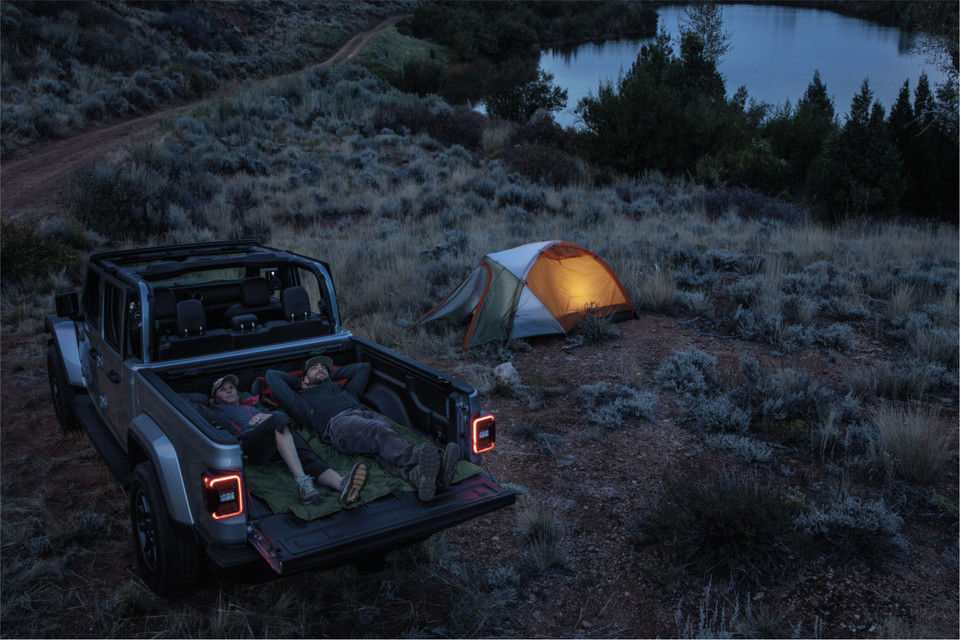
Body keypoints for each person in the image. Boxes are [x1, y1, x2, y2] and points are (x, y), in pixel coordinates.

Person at [266, 357, 459, 502]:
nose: (320, 368)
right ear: (304, 379)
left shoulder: (345, 391)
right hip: (337, 425)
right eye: (314, 368)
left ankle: (419, 477)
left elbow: (363, 369)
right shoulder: (300, 400)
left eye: (324, 367)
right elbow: (272, 376)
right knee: (377, 431)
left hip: (362, 414)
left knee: (381, 451)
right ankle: (432, 461)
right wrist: (300, 381)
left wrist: (330, 375)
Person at [198, 375, 367, 507]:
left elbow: (283, 415)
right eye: (222, 390)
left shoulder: (253, 405)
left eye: (231, 388)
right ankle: (303, 483)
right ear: (216, 397)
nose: (229, 391)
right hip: (250, 445)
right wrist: (207, 400)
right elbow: (186, 399)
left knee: (299, 445)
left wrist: (268, 415)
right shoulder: (215, 410)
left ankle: (341, 485)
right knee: (278, 422)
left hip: (274, 439)